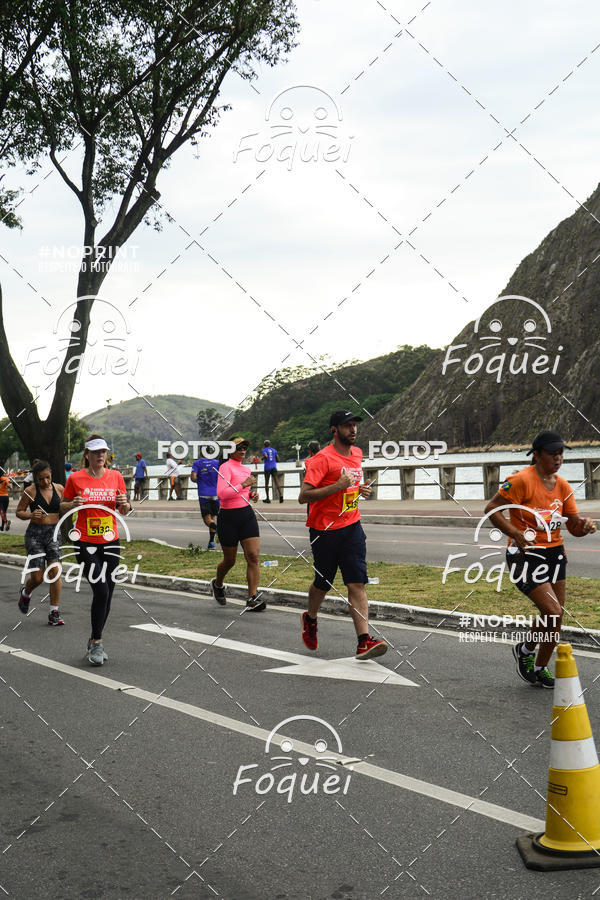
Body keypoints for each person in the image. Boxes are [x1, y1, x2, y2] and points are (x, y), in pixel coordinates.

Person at [484, 430, 596, 688]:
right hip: (524, 555)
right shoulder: (521, 480)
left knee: (555, 616)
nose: (557, 459)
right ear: (536, 455)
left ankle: (538, 666)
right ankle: (525, 651)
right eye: (552, 454)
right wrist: (515, 533)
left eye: (561, 454)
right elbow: (491, 509)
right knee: (552, 610)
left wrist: (586, 526)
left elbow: (574, 528)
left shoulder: (563, 486)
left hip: (555, 553)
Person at [298, 410, 387, 660]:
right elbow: (304, 496)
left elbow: (351, 487)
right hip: (324, 530)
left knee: (356, 582)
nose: (353, 430)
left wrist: (360, 490)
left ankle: (363, 641)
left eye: (354, 425)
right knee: (323, 582)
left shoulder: (357, 454)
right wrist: (338, 486)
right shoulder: (321, 459)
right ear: (334, 430)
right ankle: (311, 618)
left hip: (352, 526)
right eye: (347, 426)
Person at [60, 435, 130, 666]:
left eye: (103, 452)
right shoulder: (76, 478)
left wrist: (125, 504)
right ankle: (98, 642)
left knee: (108, 591)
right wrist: (72, 505)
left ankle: (94, 639)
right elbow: (62, 505)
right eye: (95, 452)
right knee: (100, 591)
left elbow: (125, 508)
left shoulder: (116, 476)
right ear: (87, 455)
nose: (100, 456)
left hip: (111, 540)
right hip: (85, 541)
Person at [211, 437, 264, 611]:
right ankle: (218, 585)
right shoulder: (225, 467)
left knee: (253, 556)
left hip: (246, 514)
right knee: (229, 560)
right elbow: (222, 494)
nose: (242, 451)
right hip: (228, 518)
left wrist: (251, 495)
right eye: (238, 448)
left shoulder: (246, 469)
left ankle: (252, 598)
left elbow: (243, 493)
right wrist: (243, 485)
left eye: (244, 448)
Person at [16, 460, 64, 625]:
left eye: (47, 478)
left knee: (55, 572)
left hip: (54, 535)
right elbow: (19, 512)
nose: (45, 482)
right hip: (35, 536)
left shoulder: (59, 489)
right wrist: (30, 515)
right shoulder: (30, 491)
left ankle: (54, 612)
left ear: (51, 474)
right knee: (38, 578)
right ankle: (26, 593)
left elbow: (65, 507)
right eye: (41, 479)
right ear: (35, 478)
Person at [191, 450, 220, 549]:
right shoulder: (217, 463)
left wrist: (200, 477)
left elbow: (193, 478)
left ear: (201, 453)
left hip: (204, 494)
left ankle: (218, 530)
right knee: (213, 517)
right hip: (216, 494)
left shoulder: (197, 463)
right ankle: (211, 542)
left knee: (207, 520)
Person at [262, 439, 283, 503]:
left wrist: (263, 458)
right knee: (277, 482)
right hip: (274, 467)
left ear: (264, 444)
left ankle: (268, 498)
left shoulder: (264, 450)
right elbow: (278, 460)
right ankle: (280, 495)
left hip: (267, 468)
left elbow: (265, 455)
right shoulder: (274, 450)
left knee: (266, 483)